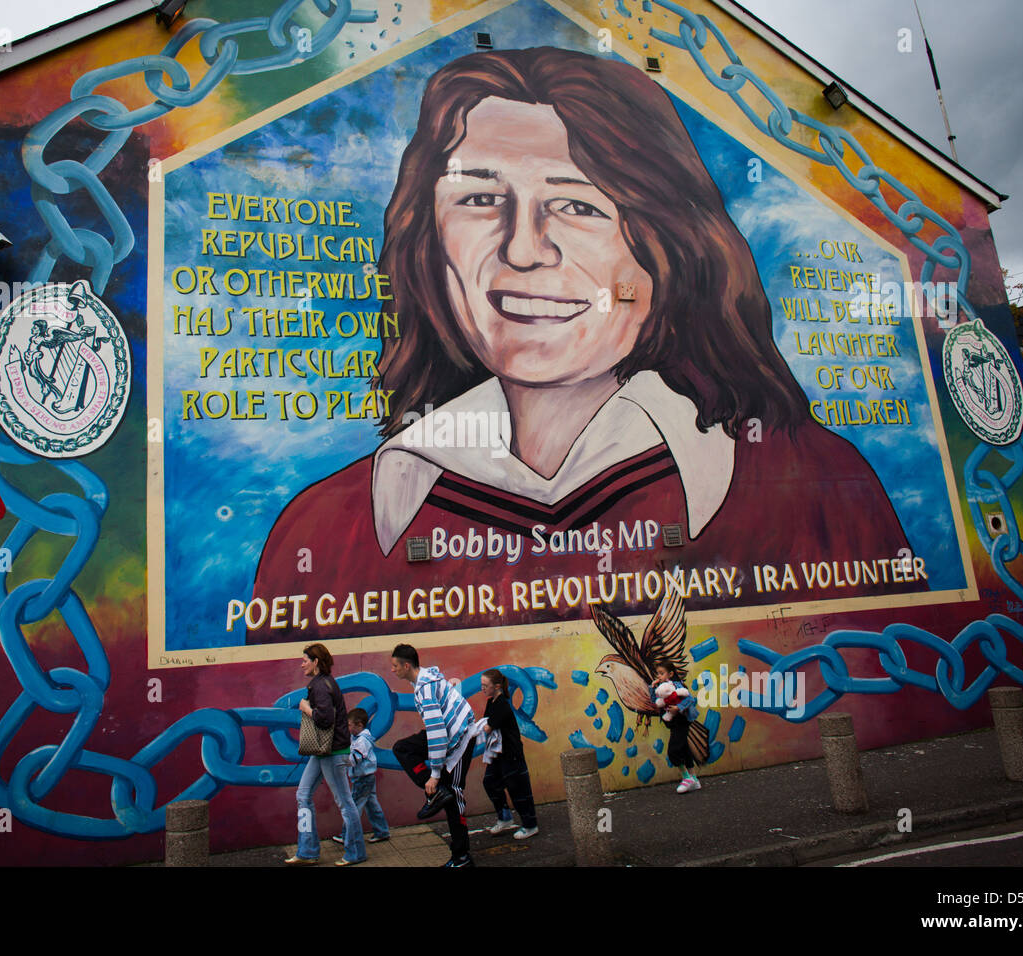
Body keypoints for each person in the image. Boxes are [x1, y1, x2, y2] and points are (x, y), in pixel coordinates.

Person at [252, 46, 919, 642]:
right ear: (428, 240)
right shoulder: (325, 531)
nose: (522, 248)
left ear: (668, 245)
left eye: (578, 206)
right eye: (481, 198)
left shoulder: (811, 487)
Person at [389, 643, 478, 867]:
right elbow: (435, 730)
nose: (393, 670)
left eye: (395, 666)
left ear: (406, 665)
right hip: (450, 733)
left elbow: (437, 731)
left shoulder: (425, 689)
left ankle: (462, 856)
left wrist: (435, 774)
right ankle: (438, 793)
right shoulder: (424, 679)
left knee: (454, 794)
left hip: (459, 739)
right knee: (403, 748)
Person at [284, 644, 367, 865]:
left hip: (332, 752)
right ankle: (307, 851)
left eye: (305, 660)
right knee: (303, 795)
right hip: (324, 751)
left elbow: (325, 719)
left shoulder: (321, 686)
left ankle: (355, 852)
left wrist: (305, 708)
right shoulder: (326, 683)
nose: (301, 664)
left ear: (316, 662)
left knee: (345, 802)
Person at [479, 668, 538, 839]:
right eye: (482, 685)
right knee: (490, 782)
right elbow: (485, 722)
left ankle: (530, 825)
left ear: (497, 686)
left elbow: (488, 726)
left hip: (511, 753)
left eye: (485, 685)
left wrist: (479, 727)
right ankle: (504, 817)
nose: (483, 689)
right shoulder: (491, 702)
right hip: (497, 753)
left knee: (518, 789)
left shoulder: (503, 704)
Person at [332, 707, 391, 845]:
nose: (348, 728)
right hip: (366, 777)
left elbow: (354, 759)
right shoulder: (357, 738)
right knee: (371, 805)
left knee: (353, 806)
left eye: (349, 725)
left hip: (362, 778)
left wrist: (340, 757)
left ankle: (347, 835)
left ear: (359, 725)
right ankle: (382, 831)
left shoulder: (362, 741)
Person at [653, 660, 701, 794]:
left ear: (671, 673)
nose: (659, 676)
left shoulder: (676, 685)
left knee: (674, 750)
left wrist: (678, 708)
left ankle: (686, 778)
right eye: (658, 674)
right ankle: (694, 780)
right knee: (684, 749)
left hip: (681, 720)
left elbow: (690, 698)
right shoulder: (661, 688)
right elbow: (656, 703)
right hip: (673, 723)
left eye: (662, 673)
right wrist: (653, 688)